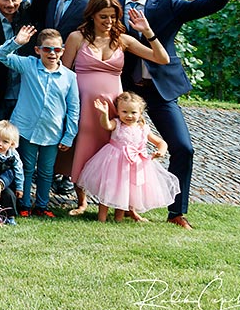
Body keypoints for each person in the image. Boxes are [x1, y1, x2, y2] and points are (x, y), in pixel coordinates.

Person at [117, 0, 240, 229]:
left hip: (160, 89)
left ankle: (176, 213)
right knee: (112, 147)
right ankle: (111, 205)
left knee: (183, 148)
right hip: (124, 90)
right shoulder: (112, 6)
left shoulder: (169, 3)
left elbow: (207, 6)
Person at [60, 0, 169, 217]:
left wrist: (148, 32)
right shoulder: (76, 38)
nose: (109, 21)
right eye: (103, 16)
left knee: (119, 154)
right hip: (82, 103)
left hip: (114, 106)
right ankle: (81, 202)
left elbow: (162, 58)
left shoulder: (123, 40)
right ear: (91, 15)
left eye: (113, 16)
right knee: (84, 149)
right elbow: (63, 73)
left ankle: (126, 205)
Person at [0, 26, 80, 218]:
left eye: (56, 49)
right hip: (25, 128)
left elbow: (74, 107)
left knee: (46, 171)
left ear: (63, 50)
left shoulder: (69, 77)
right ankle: (24, 203)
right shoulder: (29, 65)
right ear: (37, 50)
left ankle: (42, 205)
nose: (52, 53)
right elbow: (2, 55)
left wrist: (69, 135)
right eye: (47, 49)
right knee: (25, 167)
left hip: (52, 132)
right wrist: (17, 42)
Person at [76, 92, 180, 223]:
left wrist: (161, 151)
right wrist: (104, 114)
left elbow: (161, 142)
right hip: (114, 162)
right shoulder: (117, 124)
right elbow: (106, 125)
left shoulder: (144, 128)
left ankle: (118, 218)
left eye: (133, 112)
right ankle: (101, 218)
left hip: (135, 165)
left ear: (140, 113)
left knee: (125, 191)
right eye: (124, 111)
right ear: (118, 111)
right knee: (109, 188)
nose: (129, 116)